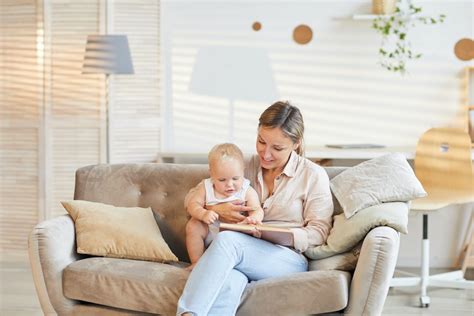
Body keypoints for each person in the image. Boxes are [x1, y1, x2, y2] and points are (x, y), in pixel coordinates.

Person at [177, 101, 334, 316]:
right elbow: (190, 199)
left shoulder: (312, 175)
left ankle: (187, 313)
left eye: (277, 148)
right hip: (239, 256)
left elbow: (319, 231)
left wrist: (282, 235)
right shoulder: (242, 165)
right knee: (229, 281)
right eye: (261, 142)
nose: (266, 154)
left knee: (228, 241)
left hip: (285, 258)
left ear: (296, 143)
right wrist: (217, 208)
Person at [185, 143, 264, 270]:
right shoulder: (206, 187)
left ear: (243, 170)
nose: (230, 185)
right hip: (209, 231)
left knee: (248, 231)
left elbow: (257, 209)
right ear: (212, 174)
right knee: (193, 225)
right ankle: (197, 262)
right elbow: (192, 204)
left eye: (235, 178)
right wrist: (203, 213)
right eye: (222, 180)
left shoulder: (246, 190)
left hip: (235, 233)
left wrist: (254, 218)